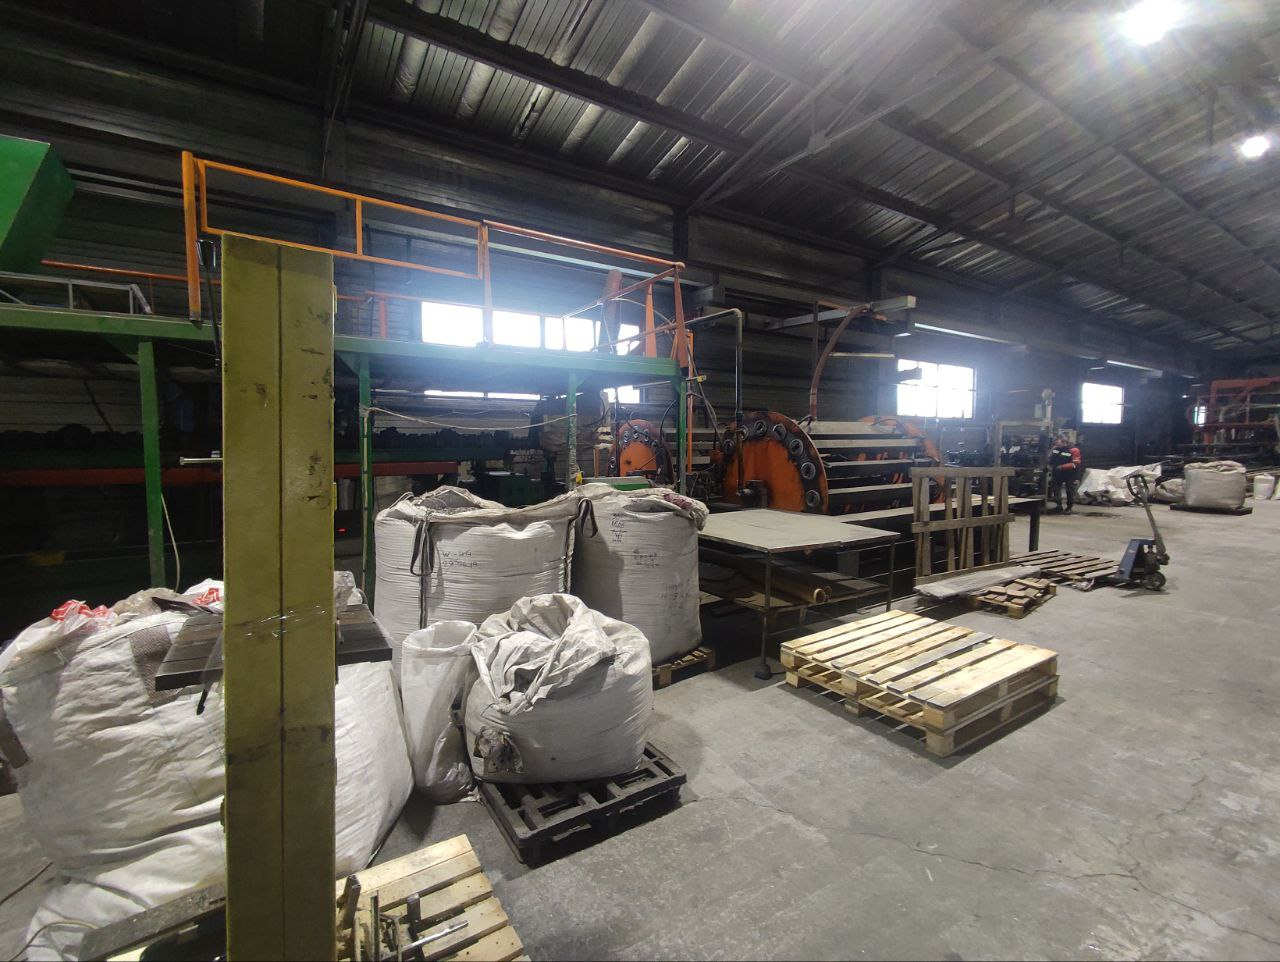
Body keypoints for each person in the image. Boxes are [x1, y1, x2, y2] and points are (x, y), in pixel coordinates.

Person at [1048, 434, 1082, 513]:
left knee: (1070, 490)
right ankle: (1058, 506)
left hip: (1070, 474)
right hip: (1057, 473)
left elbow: (1075, 463)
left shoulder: (1074, 450)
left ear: (1064, 441)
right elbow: (1051, 458)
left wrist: (1062, 467)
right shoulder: (1056, 449)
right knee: (1055, 489)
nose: (1055, 442)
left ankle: (1069, 507)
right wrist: (1051, 452)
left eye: (1057, 440)